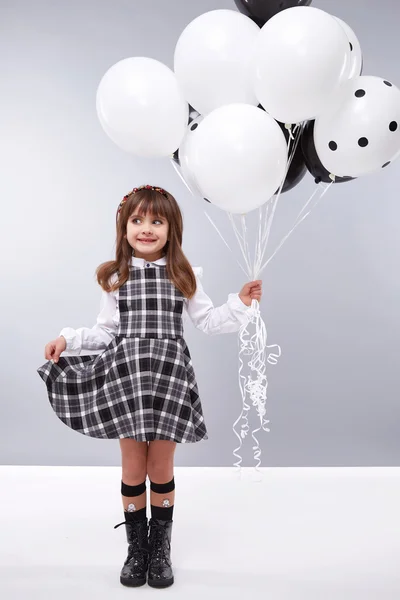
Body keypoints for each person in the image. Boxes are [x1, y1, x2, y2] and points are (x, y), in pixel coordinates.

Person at [37, 185, 262, 588]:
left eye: (156, 221)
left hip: (168, 377)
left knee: (160, 465)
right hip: (126, 379)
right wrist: (67, 340)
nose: (146, 228)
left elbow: (209, 321)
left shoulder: (183, 275)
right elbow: (105, 332)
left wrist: (241, 302)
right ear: (124, 228)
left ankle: (160, 550)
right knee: (133, 465)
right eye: (137, 220)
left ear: (171, 229)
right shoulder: (117, 278)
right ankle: (136, 548)